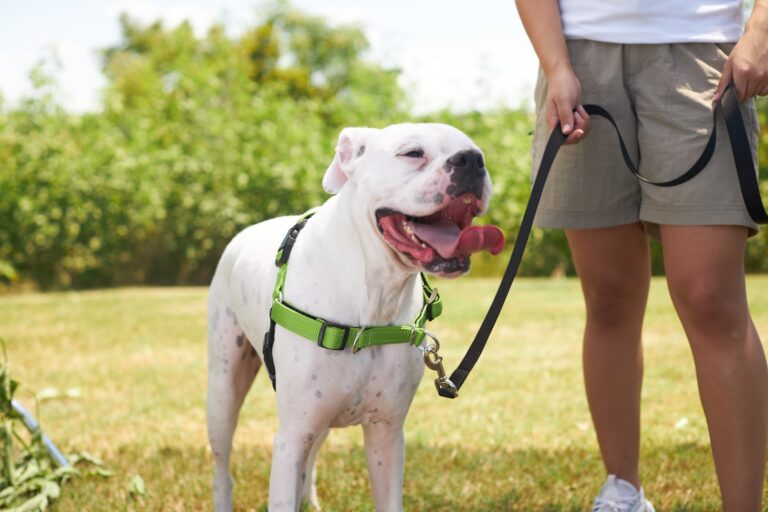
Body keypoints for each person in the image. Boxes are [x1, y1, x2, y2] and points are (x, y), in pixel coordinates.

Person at [515, 0, 768, 510]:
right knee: (608, 297)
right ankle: (623, 492)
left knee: (710, 299)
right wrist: (556, 64)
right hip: (578, 55)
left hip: (701, 54)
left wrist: (761, 29)